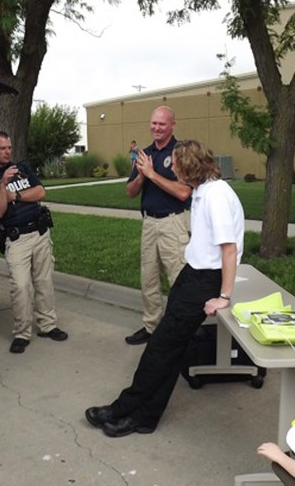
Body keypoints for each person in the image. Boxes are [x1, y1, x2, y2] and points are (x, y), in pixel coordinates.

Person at [85, 139, 244, 437]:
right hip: (193, 274)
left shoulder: (216, 196)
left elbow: (229, 250)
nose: (173, 169)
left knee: (159, 349)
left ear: (188, 166)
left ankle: (128, 410)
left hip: (204, 281)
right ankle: (142, 415)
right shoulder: (204, 190)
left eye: (176, 164)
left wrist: (223, 296)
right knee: (170, 349)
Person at [0, 131, 68, 354]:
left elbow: (40, 192)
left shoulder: (23, 168)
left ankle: (47, 325)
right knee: (20, 286)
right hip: (16, 238)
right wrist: (3, 186)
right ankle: (22, 333)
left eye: (9, 147)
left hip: (39, 232)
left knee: (44, 281)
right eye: (2, 148)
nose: (8, 151)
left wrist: (16, 195)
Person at [124, 106, 192, 345]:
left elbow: (184, 192)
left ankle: (179, 332)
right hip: (149, 223)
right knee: (149, 278)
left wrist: (152, 174)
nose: (156, 128)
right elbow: (130, 192)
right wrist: (142, 175)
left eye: (161, 124)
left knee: (178, 279)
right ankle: (151, 327)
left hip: (174, 223)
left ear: (172, 125)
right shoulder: (144, 154)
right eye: (153, 123)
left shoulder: (181, 152)